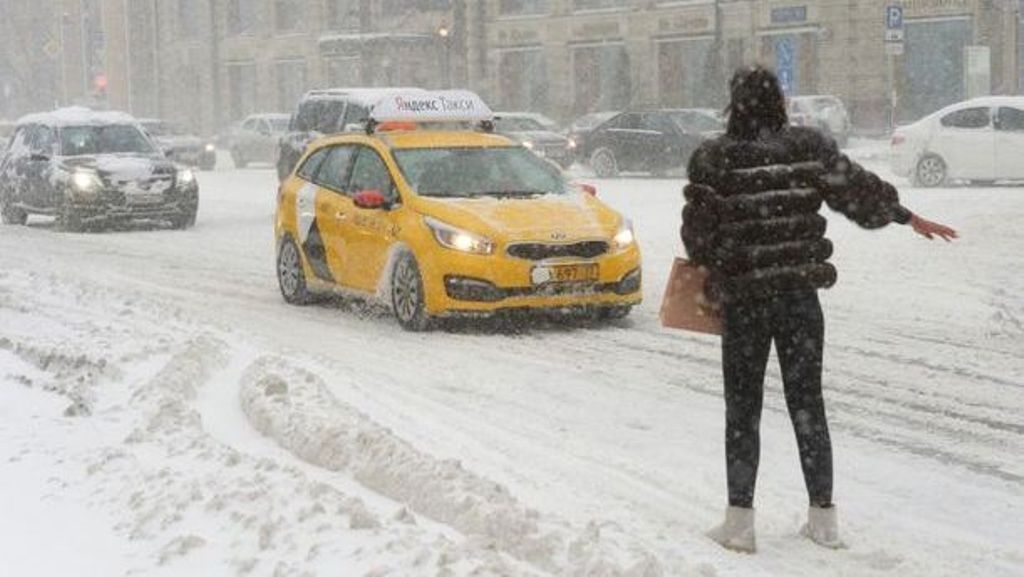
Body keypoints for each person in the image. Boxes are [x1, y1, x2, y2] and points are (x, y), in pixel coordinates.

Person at [681, 66, 957, 553]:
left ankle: (740, 523)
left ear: (734, 104)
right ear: (780, 103)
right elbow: (856, 190)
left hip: (745, 304)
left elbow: (698, 240)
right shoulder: (807, 148)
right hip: (798, 302)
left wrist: (728, 256)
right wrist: (905, 216)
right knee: (808, 406)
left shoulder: (714, 159)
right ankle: (824, 519)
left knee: (742, 411)